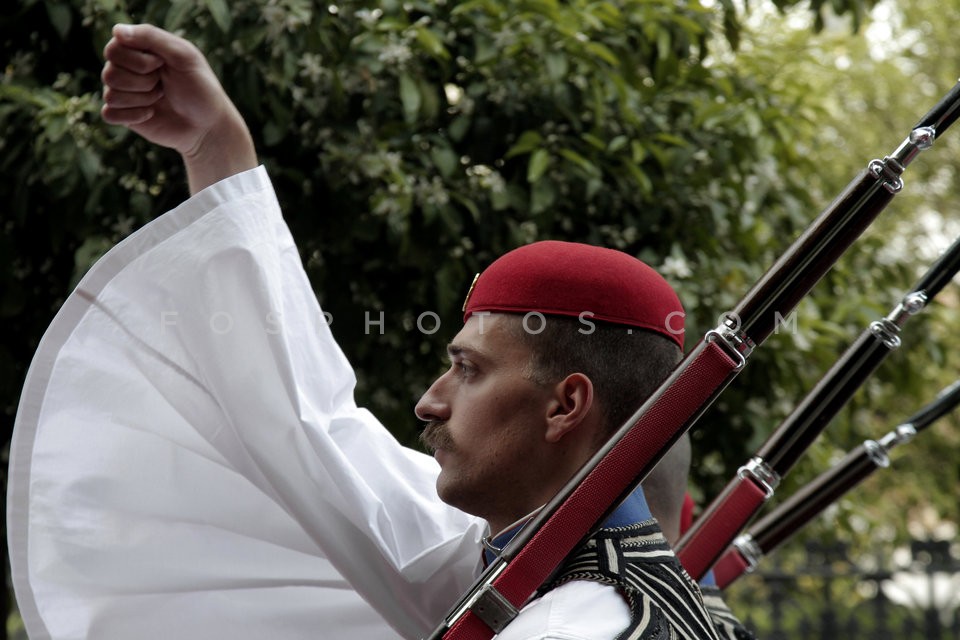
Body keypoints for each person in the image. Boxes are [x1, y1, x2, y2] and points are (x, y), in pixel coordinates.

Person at [7, 23, 728, 640]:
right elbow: (312, 433)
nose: (429, 401)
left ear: (566, 405)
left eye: (471, 370)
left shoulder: (583, 620)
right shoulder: (512, 560)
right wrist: (215, 149)